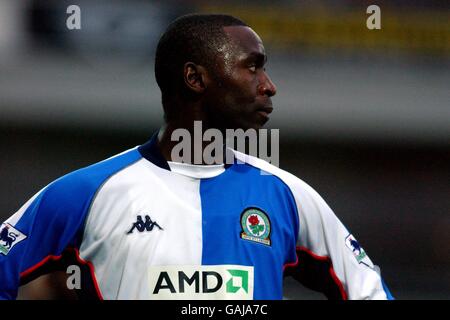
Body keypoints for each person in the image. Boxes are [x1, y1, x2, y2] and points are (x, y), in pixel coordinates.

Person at [0, 14, 393, 300]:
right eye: (252, 67)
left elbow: (368, 290)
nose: (269, 86)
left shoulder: (287, 196)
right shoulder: (88, 192)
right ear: (196, 78)